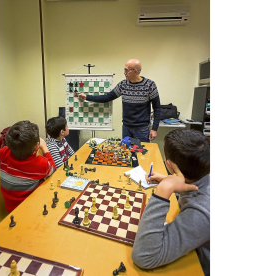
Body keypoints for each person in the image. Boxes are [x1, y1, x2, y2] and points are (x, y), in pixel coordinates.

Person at [132, 129, 210, 276]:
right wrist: (169, 179)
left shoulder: (202, 211)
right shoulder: (204, 176)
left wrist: (164, 189)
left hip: (199, 265)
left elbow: (144, 257)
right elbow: (196, 188)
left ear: (169, 164)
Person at [77, 59, 161, 142]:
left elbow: (157, 108)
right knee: (127, 153)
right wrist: (87, 97)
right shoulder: (123, 85)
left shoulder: (150, 85)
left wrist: (154, 129)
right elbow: (108, 97)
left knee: (142, 154)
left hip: (142, 129)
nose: (124, 72)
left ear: (136, 71)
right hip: (126, 127)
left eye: (126, 70)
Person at [0, 120, 56, 212]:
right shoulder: (40, 163)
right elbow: (52, 169)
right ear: (36, 146)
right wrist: (45, 148)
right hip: (32, 209)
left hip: (10, 210)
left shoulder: (5, 152)